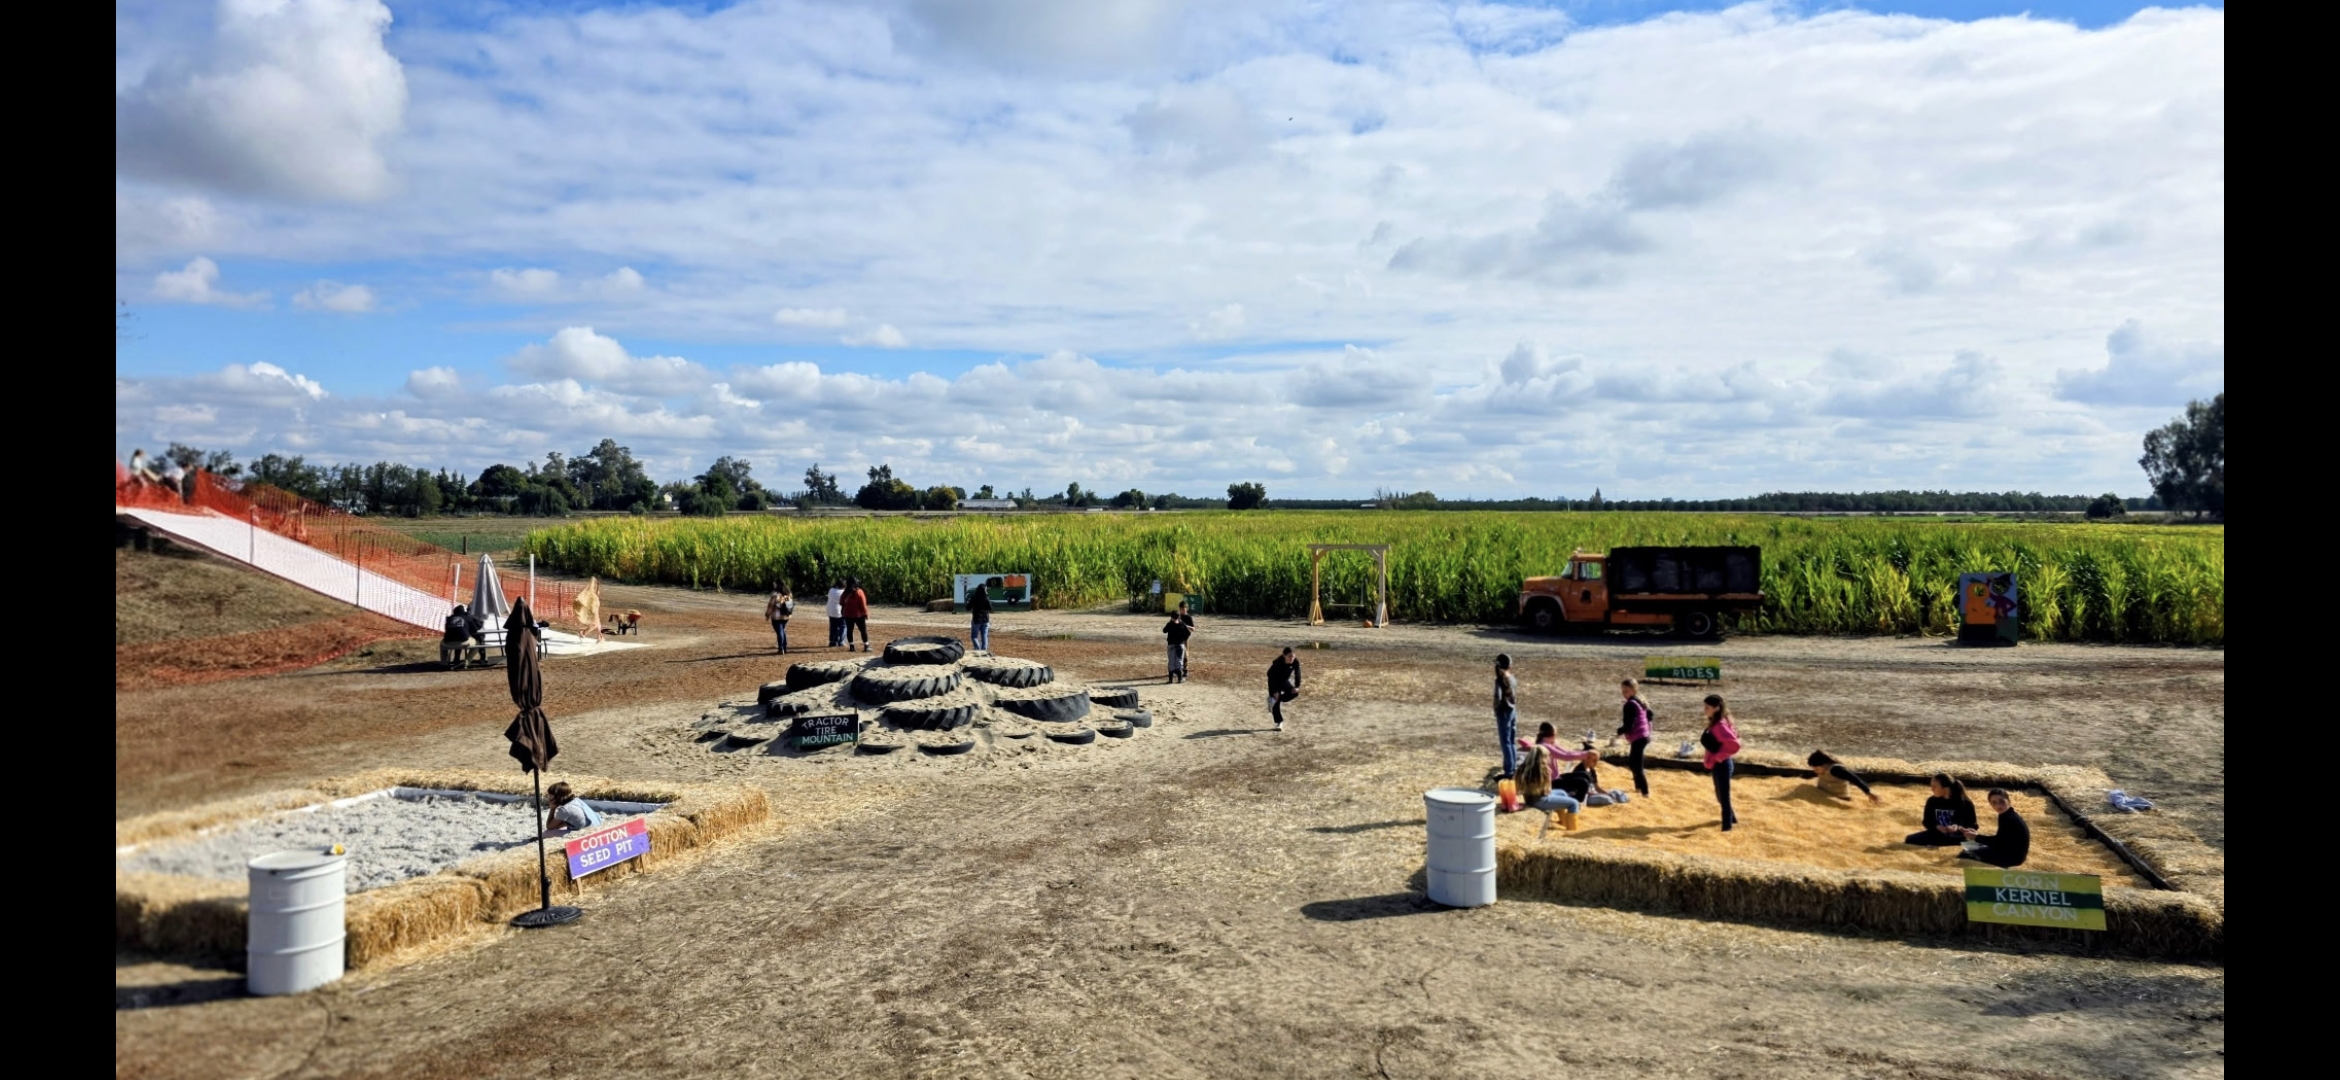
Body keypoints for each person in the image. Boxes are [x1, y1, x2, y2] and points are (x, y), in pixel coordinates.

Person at [1512, 745, 1583, 838]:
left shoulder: (1522, 768)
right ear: (1543, 758)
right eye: (1547, 756)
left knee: (1562, 793)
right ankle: (1571, 831)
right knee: (1574, 803)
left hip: (1529, 799)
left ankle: (1563, 822)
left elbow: (1515, 787)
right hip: (1541, 801)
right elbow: (1547, 791)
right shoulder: (1544, 770)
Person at [1957, 789, 2031, 868]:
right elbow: (2001, 839)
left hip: (2012, 858)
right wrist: (1976, 836)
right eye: (1994, 802)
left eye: (2001, 801)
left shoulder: (2009, 818)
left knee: (1965, 854)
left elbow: (1998, 843)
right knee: (1969, 846)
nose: (1998, 805)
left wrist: (1976, 837)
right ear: (1991, 804)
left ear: (2009, 801)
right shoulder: (2006, 815)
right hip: (2008, 851)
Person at [1699, 694, 1742, 832]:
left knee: (1724, 797)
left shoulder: (1720, 725)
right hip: (1720, 764)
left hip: (1722, 764)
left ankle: (1727, 828)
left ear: (1716, 708)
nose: (1704, 710)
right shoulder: (1718, 721)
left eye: (1707, 707)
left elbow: (1735, 744)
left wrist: (1719, 757)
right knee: (1720, 795)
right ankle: (1732, 819)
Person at [1904, 774, 1978, 846]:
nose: (1932, 789)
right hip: (1937, 834)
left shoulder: (1965, 803)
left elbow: (1973, 825)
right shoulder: (1932, 801)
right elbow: (1927, 821)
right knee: (1909, 839)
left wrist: (1957, 827)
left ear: (1945, 788)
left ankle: (1943, 842)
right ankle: (1944, 842)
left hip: (1958, 835)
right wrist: (1937, 827)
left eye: (1934, 786)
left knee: (1965, 839)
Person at [1616, 678, 1654, 797]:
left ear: (1633, 690)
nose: (1624, 694)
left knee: (1637, 765)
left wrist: (1620, 731)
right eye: (1622, 691)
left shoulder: (1630, 705)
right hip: (1644, 735)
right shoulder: (1639, 701)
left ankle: (1645, 792)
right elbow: (1651, 715)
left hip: (1639, 737)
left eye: (1626, 691)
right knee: (1633, 763)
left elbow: (1629, 725)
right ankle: (1638, 787)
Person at [1806, 751, 1883, 805]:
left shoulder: (1835, 770)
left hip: (1839, 799)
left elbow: (1854, 779)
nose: (1815, 772)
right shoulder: (1823, 768)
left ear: (1824, 764)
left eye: (1816, 769)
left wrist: (1868, 792)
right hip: (1822, 795)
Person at [539, 781, 605, 837]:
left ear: (558, 796)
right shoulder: (577, 800)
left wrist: (552, 809)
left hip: (586, 832)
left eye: (550, 795)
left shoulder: (564, 810)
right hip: (596, 825)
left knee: (546, 833)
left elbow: (549, 827)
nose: (548, 797)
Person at [1493, 654, 1520, 777]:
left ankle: (1509, 771)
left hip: (1503, 713)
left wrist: (1495, 709)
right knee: (1512, 741)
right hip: (1513, 711)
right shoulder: (1513, 678)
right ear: (1510, 665)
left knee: (1505, 742)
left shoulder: (1499, 680)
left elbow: (1497, 698)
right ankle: (1513, 766)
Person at [1266, 646, 1301, 731]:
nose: (1291, 658)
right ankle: (1279, 723)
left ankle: (1273, 700)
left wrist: (1296, 686)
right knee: (1276, 701)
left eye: (1293, 656)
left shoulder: (1295, 662)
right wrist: (1274, 691)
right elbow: (1270, 675)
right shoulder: (1278, 663)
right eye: (1289, 656)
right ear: (1284, 655)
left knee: (1294, 693)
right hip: (1274, 682)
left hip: (1284, 682)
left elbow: (1298, 674)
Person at [1162, 600, 1194, 682]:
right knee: (1176, 656)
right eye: (1181, 609)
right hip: (1177, 640)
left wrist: (1185, 627)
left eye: (1183, 609)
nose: (1182, 611)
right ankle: (1177, 671)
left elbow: (1192, 629)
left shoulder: (1188, 618)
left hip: (1183, 639)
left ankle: (1185, 670)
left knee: (1184, 655)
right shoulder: (1178, 617)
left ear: (1186, 609)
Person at [840, 576, 871, 652]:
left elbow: (841, 602)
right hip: (859, 615)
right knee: (863, 630)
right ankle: (866, 646)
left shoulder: (845, 592)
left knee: (849, 630)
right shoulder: (859, 592)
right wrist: (866, 613)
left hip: (848, 615)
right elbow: (863, 605)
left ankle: (852, 646)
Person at [764, 585, 795, 655]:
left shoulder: (775, 595)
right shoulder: (788, 595)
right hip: (786, 617)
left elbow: (770, 606)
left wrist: (767, 615)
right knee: (782, 631)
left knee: (780, 632)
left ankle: (781, 649)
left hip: (776, 617)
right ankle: (784, 648)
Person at [968, 580, 995, 654]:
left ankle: (977, 649)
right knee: (984, 636)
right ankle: (984, 651)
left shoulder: (974, 597)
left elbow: (968, 607)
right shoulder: (986, 598)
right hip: (985, 620)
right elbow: (991, 608)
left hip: (976, 619)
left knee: (974, 636)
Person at [825, 581, 846, 648]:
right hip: (839, 611)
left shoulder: (831, 590)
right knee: (843, 626)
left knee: (833, 626)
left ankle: (832, 641)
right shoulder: (843, 592)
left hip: (830, 610)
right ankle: (841, 642)